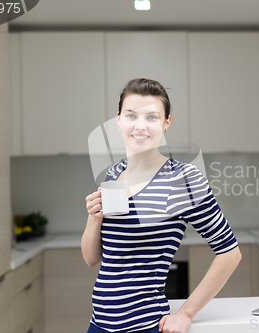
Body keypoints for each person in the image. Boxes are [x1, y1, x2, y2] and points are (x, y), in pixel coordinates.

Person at [81, 78, 242, 333]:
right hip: (98, 325)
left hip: (145, 326)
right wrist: (94, 217)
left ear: (166, 123)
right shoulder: (114, 174)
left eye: (152, 117)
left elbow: (230, 253)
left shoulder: (183, 179)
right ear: (119, 120)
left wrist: (186, 313)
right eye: (131, 115)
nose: (140, 126)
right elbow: (93, 258)